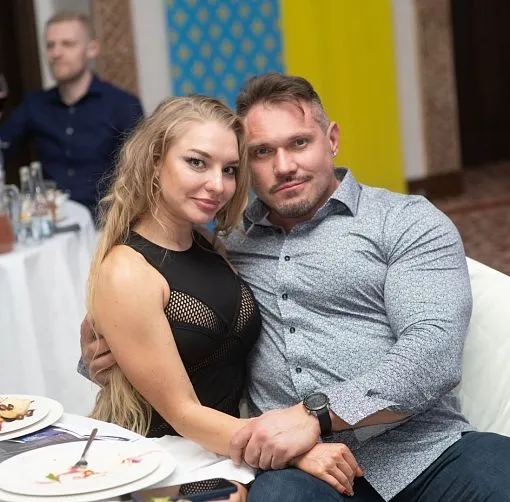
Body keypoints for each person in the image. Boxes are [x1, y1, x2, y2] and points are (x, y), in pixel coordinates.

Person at [81, 73, 510, 502]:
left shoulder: (404, 221)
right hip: (301, 471)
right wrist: (100, 355)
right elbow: (166, 312)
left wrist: (315, 416)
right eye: (262, 152)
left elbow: (432, 353)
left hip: (426, 453)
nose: (284, 166)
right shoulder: (231, 246)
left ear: (332, 139)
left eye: (299, 143)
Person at [83, 93, 361, 502]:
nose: (218, 185)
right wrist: (296, 450)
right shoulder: (127, 269)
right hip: (156, 457)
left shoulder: (209, 244)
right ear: (155, 161)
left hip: (225, 447)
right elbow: (183, 413)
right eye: (197, 162)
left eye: (229, 169)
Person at [0, 11, 143, 215]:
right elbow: (2, 148)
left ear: (92, 49)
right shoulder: (34, 104)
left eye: (67, 44)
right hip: (52, 220)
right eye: (50, 45)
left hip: (105, 222)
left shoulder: (122, 104)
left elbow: (142, 172)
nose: (56, 53)